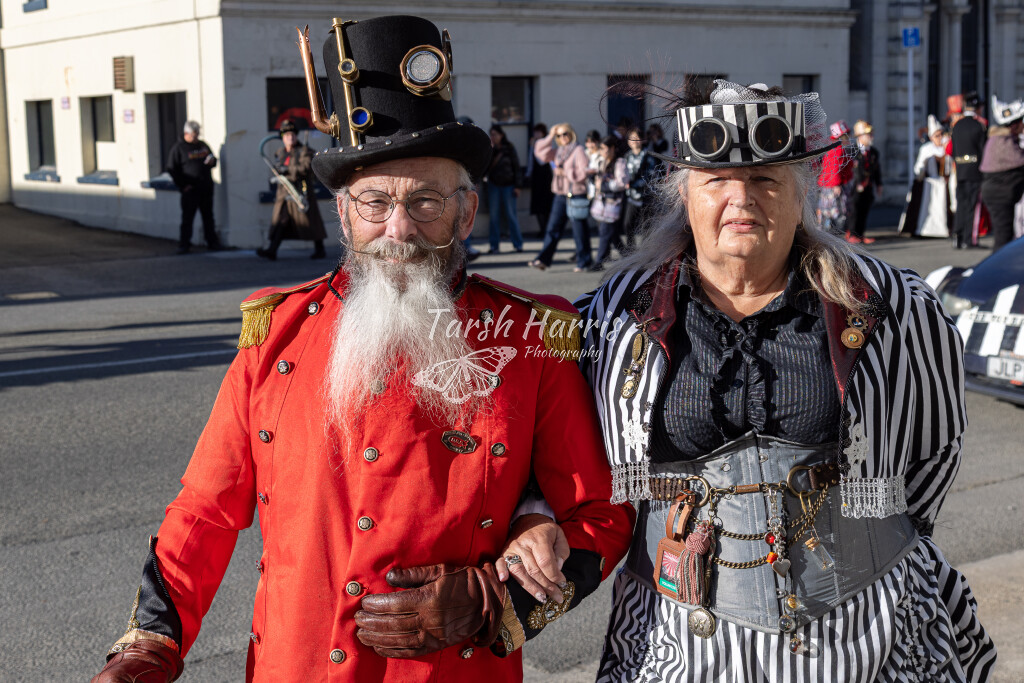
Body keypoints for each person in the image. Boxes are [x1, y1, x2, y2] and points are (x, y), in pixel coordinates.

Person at [90, 15, 634, 683]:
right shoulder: (275, 336)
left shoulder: (530, 339)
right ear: (344, 214)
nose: (399, 228)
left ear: (466, 213)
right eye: (375, 201)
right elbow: (204, 510)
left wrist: (499, 602)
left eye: (427, 201)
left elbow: (600, 515)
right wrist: (149, 645)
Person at [506, 80, 997, 681]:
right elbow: (556, 447)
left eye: (766, 179)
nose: (741, 198)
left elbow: (933, 450)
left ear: (802, 193)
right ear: (684, 194)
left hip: (870, 626)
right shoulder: (610, 319)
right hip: (676, 634)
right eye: (716, 181)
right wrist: (534, 513)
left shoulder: (892, 306)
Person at [256, 119, 328, 261]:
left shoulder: (304, 151)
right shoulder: (280, 152)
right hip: (285, 193)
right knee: (281, 220)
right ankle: (272, 250)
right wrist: (280, 169)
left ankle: (320, 249)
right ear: (283, 138)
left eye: (293, 134)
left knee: (310, 221)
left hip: (301, 192)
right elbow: (278, 169)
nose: (290, 137)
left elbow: (305, 168)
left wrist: (287, 169)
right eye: (287, 135)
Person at [528, 123, 594, 272]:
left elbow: (584, 172)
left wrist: (565, 173)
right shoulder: (558, 151)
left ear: (571, 133)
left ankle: (584, 261)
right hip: (560, 195)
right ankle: (543, 259)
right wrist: (550, 135)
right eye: (559, 135)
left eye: (565, 134)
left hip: (576, 194)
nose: (562, 137)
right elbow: (539, 153)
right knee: (552, 228)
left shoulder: (578, 150)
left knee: (579, 231)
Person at [166, 121, 222, 254]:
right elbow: (172, 169)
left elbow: (213, 160)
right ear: (186, 133)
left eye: (197, 134)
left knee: (208, 216)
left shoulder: (203, 145)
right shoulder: (179, 148)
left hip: (205, 187)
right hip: (190, 189)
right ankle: (184, 244)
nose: (196, 137)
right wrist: (183, 185)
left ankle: (212, 242)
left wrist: (212, 161)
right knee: (188, 218)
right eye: (193, 135)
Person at [980, 95, 1024, 251]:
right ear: (1014, 125)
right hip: (1000, 194)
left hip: (1000, 192)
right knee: (1003, 236)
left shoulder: (1002, 138)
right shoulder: (1002, 141)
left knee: (1005, 234)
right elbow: (1020, 161)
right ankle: (997, 265)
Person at [899, 115, 953, 238]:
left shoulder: (946, 148)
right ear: (931, 137)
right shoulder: (926, 149)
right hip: (929, 184)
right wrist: (922, 169)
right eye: (937, 136)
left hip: (943, 184)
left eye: (941, 134)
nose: (940, 138)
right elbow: (918, 166)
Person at [950, 92, 988, 248]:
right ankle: (969, 239)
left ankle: (957, 237)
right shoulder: (979, 126)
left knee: (961, 204)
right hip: (975, 170)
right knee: (973, 205)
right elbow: (983, 151)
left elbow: (953, 150)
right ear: (977, 108)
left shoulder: (957, 125)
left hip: (960, 169)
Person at [484, 124, 524, 253]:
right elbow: (485, 167)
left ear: (501, 135)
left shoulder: (509, 148)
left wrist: (518, 186)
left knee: (511, 215)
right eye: (491, 134)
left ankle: (518, 244)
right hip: (494, 185)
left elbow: (516, 167)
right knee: (494, 217)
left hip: (509, 185)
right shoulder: (490, 149)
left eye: (495, 134)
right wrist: (490, 150)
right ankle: (494, 245)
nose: (493, 137)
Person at [590, 135, 628, 268]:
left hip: (614, 202)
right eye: (601, 149)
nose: (602, 152)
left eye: (604, 148)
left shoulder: (620, 162)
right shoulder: (602, 161)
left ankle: (599, 261)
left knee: (605, 231)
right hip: (602, 202)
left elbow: (622, 183)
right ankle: (628, 257)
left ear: (612, 148)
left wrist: (605, 185)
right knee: (613, 234)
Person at [622, 126, 660, 251]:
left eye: (636, 138)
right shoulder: (627, 156)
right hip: (632, 196)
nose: (633, 141)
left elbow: (650, 176)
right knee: (628, 224)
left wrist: (633, 184)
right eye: (631, 138)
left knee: (646, 226)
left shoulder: (648, 156)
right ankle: (631, 250)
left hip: (645, 196)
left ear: (642, 140)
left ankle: (645, 251)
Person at [816, 120, 854, 236]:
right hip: (833, 186)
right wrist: (836, 184)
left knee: (828, 211)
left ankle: (828, 232)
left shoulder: (835, 148)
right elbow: (834, 168)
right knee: (835, 211)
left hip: (829, 185)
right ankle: (832, 233)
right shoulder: (838, 150)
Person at [847, 119, 882, 244]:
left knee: (864, 209)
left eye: (871, 134)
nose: (871, 137)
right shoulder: (851, 151)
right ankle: (852, 233)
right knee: (854, 210)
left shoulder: (874, 152)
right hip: (854, 186)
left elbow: (877, 169)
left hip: (868, 185)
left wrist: (879, 184)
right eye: (868, 135)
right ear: (860, 136)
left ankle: (861, 234)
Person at [525, 123, 554, 238]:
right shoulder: (533, 144)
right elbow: (531, 161)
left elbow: (543, 161)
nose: (536, 134)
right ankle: (542, 229)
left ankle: (546, 229)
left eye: (538, 132)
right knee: (538, 205)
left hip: (546, 176)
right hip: (536, 177)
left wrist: (535, 147)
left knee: (546, 205)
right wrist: (528, 174)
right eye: (535, 132)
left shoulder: (546, 144)